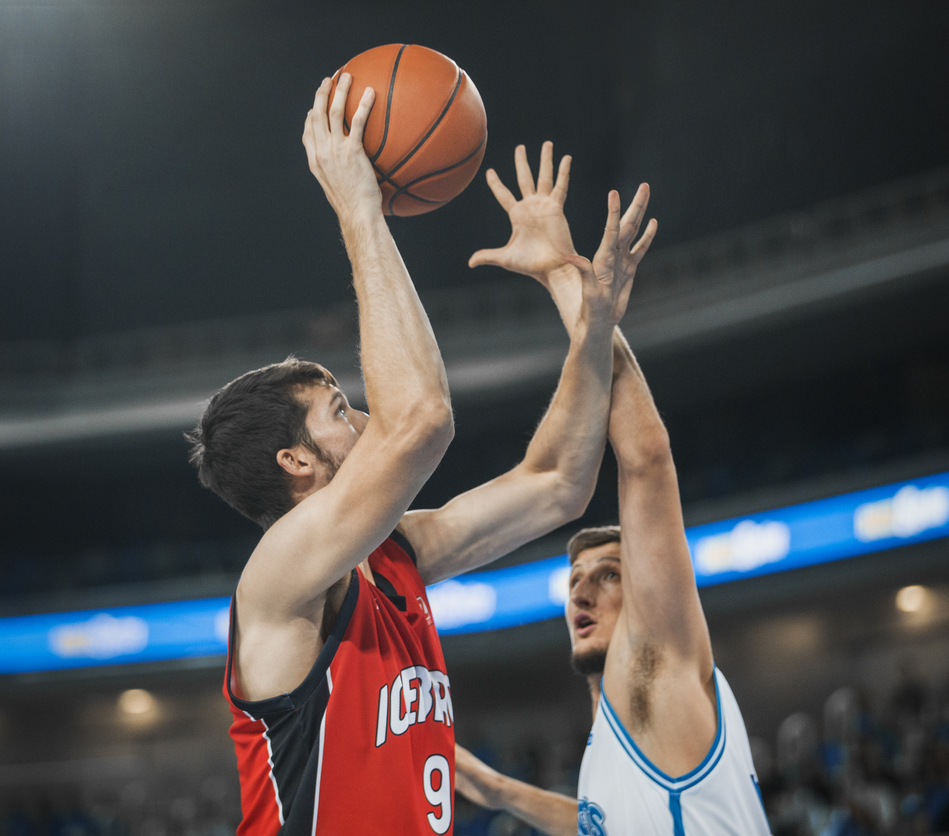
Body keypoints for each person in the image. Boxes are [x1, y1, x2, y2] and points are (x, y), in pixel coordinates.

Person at [186, 72, 654, 836]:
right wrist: (358, 205)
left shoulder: (394, 555)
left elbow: (558, 482)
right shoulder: (279, 578)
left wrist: (581, 305)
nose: (366, 416)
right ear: (295, 462)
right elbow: (421, 421)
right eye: (340, 410)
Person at [453, 151, 773, 836]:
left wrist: (568, 283)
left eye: (606, 576)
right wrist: (497, 788)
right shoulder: (630, 726)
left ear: (654, 588)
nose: (580, 593)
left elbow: (647, 457)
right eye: (574, 579)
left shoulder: (656, 661)